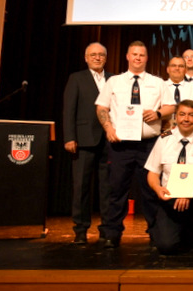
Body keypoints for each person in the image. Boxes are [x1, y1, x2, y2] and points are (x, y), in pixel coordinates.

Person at [95, 40, 176, 248]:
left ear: (147, 58)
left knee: (150, 191)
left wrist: (157, 113)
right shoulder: (114, 82)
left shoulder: (158, 82)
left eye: (142, 55)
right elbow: (101, 108)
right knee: (116, 190)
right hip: (120, 144)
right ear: (127, 57)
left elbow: (170, 107)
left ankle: (155, 232)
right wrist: (109, 129)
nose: (138, 58)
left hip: (148, 145)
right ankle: (112, 233)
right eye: (134, 54)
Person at [145, 100, 193, 255]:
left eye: (191, 115)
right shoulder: (164, 139)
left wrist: (188, 190)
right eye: (182, 114)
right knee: (166, 246)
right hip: (170, 199)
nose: (186, 119)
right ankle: (184, 232)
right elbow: (152, 172)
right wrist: (157, 188)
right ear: (176, 117)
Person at [63, 42, 113, 244]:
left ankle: (106, 230)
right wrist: (69, 137)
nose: (97, 57)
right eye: (93, 54)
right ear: (86, 57)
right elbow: (68, 110)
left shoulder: (113, 79)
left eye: (101, 54)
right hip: (83, 140)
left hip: (109, 140)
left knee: (108, 188)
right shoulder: (76, 78)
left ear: (106, 58)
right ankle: (81, 230)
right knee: (81, 187)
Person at [164, 56, 190, 130]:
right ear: (168, 69)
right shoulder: (160, 86)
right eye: (173, 65)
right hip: (165, 130)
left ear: (185, 70)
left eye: (181, 66)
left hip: (188, 130)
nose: (177, 68)